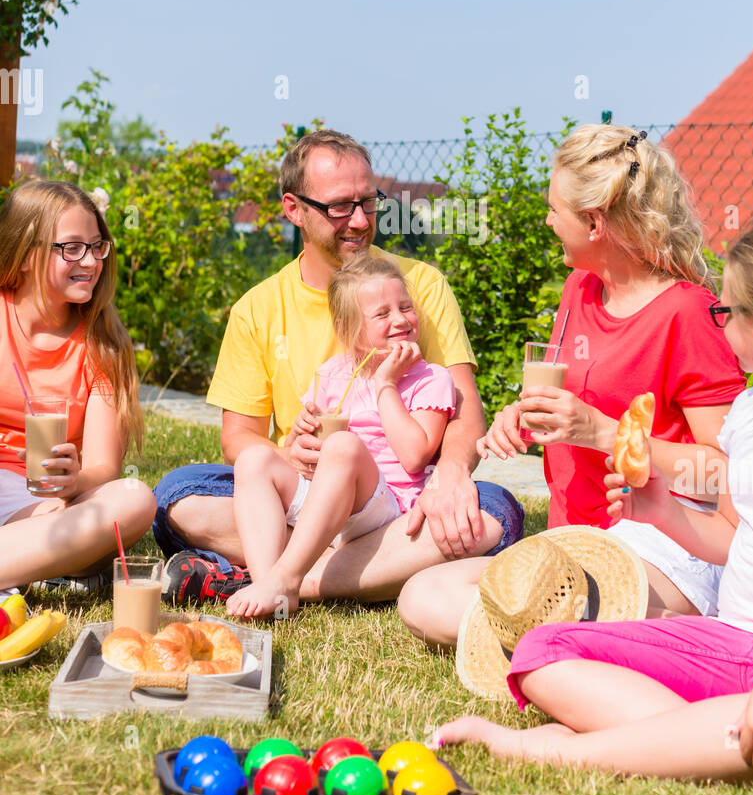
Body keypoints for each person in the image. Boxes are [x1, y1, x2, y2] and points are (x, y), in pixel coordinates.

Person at [434, 216, 753, 795]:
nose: (721, 324)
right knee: (543, 651)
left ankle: (561, 752)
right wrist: (662, 513)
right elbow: (736, 542)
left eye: (727, 313)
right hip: (733, 645)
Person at [398, 124, 744, 646]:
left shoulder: (686, 312)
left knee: (520, 609)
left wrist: (608, 434)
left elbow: (727, 472)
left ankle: (645, 636)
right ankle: (617, 639)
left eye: (554, 210)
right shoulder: (579, 287)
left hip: (666, 543)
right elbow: (572, 400)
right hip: (576, 535)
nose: (547, 220)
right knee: (424, 597)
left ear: (594, 222)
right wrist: (524, 415)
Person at [156, 130, 523, 605]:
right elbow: (238, 439)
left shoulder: (419, 286)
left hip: (397, 501)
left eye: (369, 203)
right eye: (339, 207)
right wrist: (290, 454)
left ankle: (280, 579)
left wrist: (452, 472)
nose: (359, 221)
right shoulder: (258, 307)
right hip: (306, 493)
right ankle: (352, 569)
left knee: (493, 509)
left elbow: (466, 411)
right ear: (294, 209)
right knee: (177, 494)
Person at [227, 255, 456, 618]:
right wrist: (298, 438)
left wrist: (386, 385)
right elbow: (303, 450)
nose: (400, 319)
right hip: (328, 502)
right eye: (382, 314)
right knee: (253, 459)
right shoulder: (334, 374)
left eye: (405, 307)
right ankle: (268, 582)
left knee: (345, 445)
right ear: (348, 328)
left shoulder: (431, 378)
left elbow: (415, 455)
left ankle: (287, 577)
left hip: (387, 506)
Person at [0, 179, 155, 592]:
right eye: (71, 247)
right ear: (27, 253)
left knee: (135, 500)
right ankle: (33, 564)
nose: (90, 261)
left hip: (43, 504)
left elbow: (104, 466)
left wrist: (75, 481)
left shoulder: (103, 343)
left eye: (96, 245)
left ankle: (20, 563)